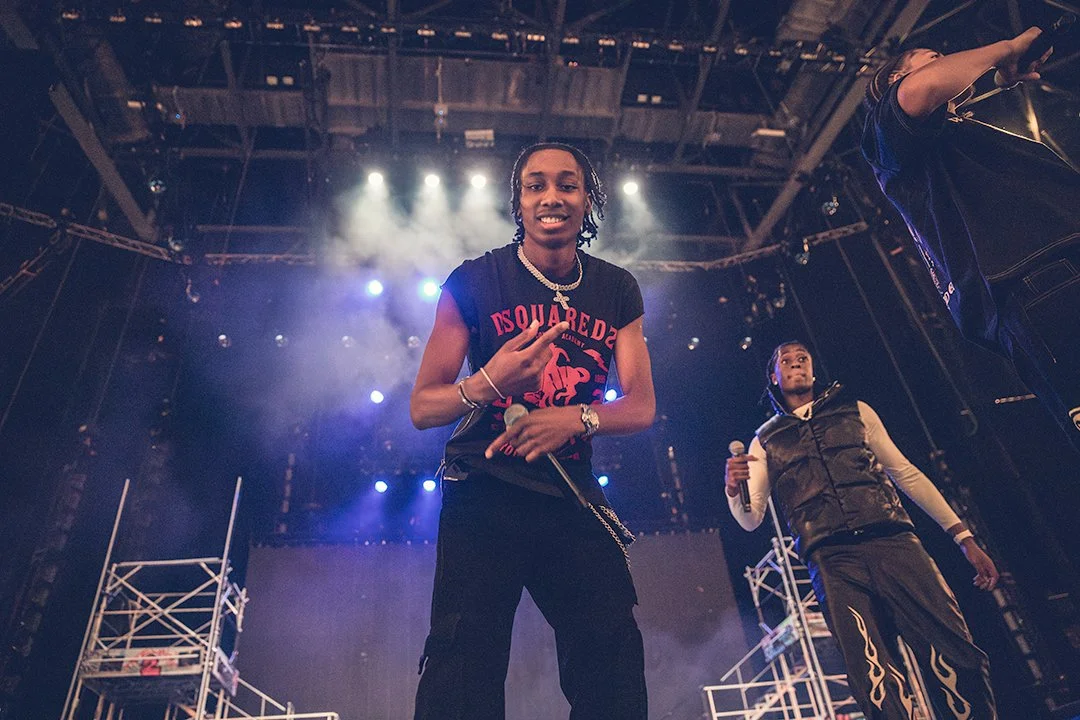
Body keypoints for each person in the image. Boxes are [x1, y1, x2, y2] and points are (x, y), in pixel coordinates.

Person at [409, 142, 656, 720]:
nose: (552, 197)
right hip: (484, 490)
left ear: (587, 200)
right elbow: (423, 407)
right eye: (535, 185)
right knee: (463, 660)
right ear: (517, 202)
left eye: (568, 185)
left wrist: (577, 417)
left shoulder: (617, 290)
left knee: (613, 657)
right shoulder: (473, 281)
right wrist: (490, 382)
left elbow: (641, 406)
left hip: (569, 496)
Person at [725, 340, 1000, 718]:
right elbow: (750, 518)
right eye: (785, 361)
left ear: (813, 370)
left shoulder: (855, 412)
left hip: (893, 541)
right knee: (873, 675)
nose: (795, 364)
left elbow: (906, 473)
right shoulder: (765, 439)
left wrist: (963, 536)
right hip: (833, 561)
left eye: (802, 358)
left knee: (953, 650)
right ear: (773, 376)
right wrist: (731, 489)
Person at [861, 27, 1080, 453]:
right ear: (892, 82)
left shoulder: (954, 135)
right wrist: (1006, 50)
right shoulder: (887, 137)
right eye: (933, 56)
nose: (946, 60)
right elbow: (920, 88)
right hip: (1046, 282)